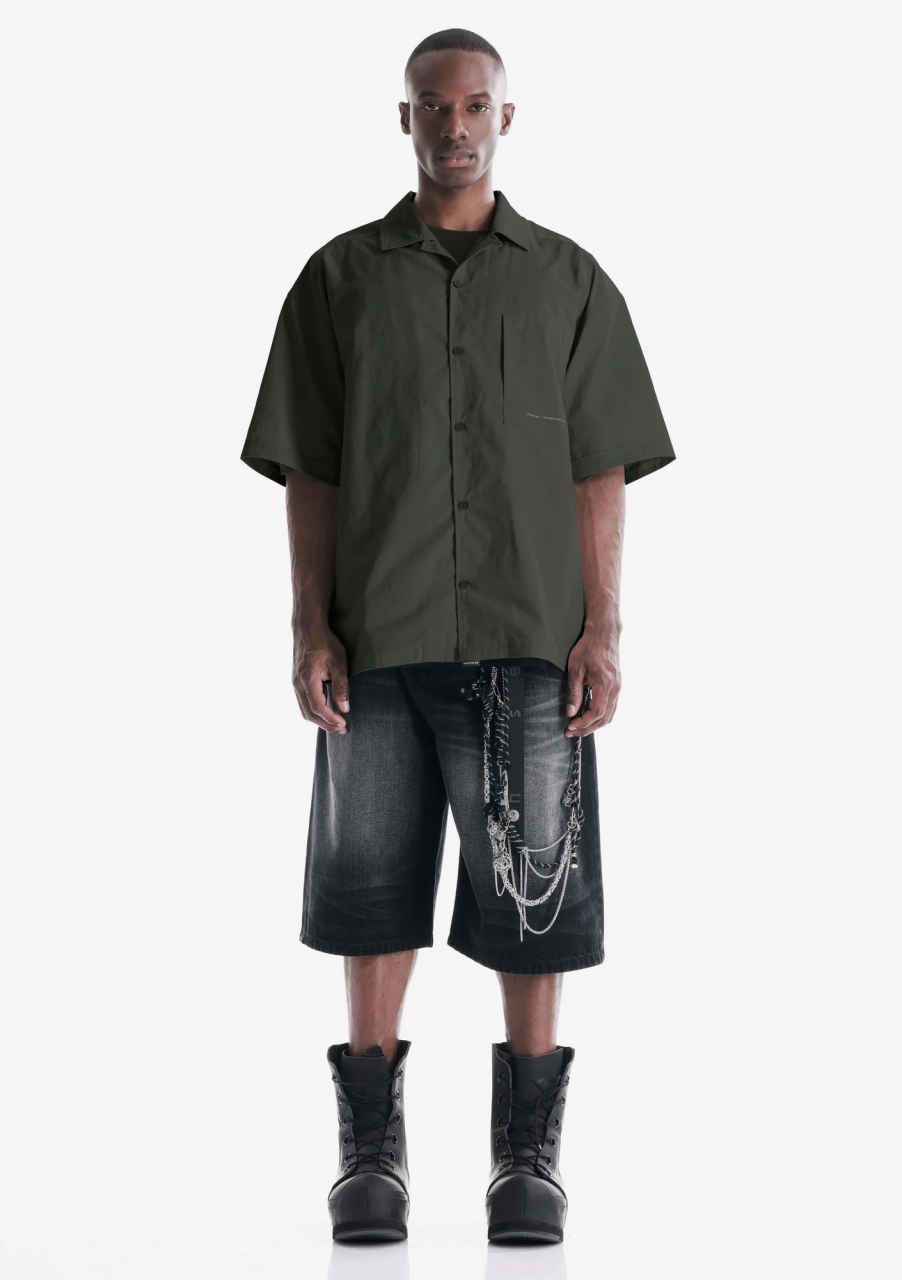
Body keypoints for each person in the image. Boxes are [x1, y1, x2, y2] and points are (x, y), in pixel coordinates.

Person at [240, 27, 675, 1246]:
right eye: (431, 106)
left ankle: (525, 1159)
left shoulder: (566, 281)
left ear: (505, 118)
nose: (453, 125)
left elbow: (599, 467)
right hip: (377, 635)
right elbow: (311, 466)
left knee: (534, 896)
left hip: (528, 633)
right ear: (404, 120)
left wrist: (602, 629)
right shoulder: (338, 279)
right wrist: (308, 620)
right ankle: (369, 1156)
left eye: (474, 104)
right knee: (369, 887)